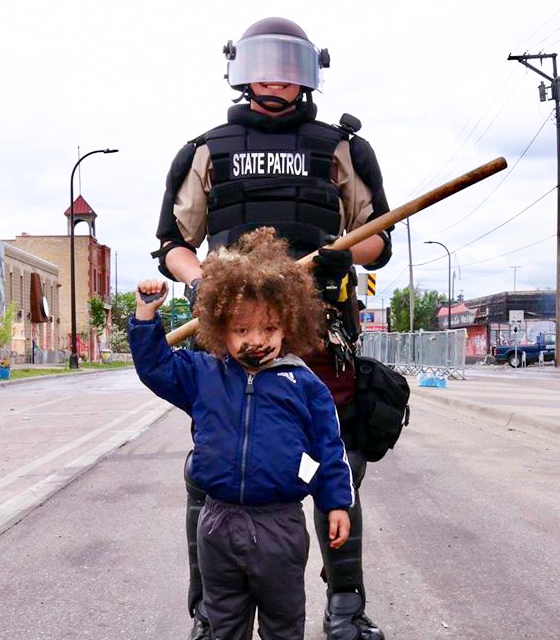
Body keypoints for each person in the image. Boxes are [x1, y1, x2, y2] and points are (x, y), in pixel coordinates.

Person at [152, 16, 393, 640]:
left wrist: (349, 253)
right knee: (216, 467)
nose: (276, 79)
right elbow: (174, 244)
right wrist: (201, 278)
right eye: (265, 64)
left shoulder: (341, 148)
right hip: (232, 343)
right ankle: (211, 615)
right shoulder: (206, 150)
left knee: (329, 463)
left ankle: (345, 609)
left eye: (291, 66)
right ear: (240, 69)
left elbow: (379, 240)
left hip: (319, 340)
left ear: (310, 73)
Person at [129, 228, 353, 640]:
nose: (257, 341)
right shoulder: (203, 375)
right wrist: (146, 315)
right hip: (217, 524)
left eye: (268, 329)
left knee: (283, 624)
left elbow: (329, 450)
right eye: (242, 330)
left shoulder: (305, 386)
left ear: (289, 325)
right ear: (218, 328)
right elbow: (155, 367)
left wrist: (336, 503)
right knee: (223, 623)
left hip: (280, 525)